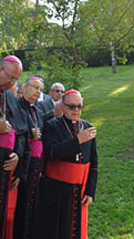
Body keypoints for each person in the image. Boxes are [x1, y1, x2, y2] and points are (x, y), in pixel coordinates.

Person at [35, 89, 98, 239]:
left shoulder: (88, 127)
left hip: (80, 190)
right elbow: (51, 153)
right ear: (62, 106)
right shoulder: (52, 126)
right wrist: (77, 141)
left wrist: (90, 191)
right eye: (71, 106)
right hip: (56, 190)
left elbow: (94, 163)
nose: (76, 110)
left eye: (79, 106)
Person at [0, 55, 30, 239]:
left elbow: (21, 134)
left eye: (15, 79)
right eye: (9, 77)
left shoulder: (9, 98)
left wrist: (17, 157)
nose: (11, 82)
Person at [14, 76, 44, 239]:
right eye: (35, 87)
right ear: (25, 87)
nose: (38, 92)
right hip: (22, 163)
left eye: (40, 89)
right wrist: (29, 133)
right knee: (21, 205)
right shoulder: (17, 107)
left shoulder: (38, 110)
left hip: (36, 164)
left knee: (33, 205)